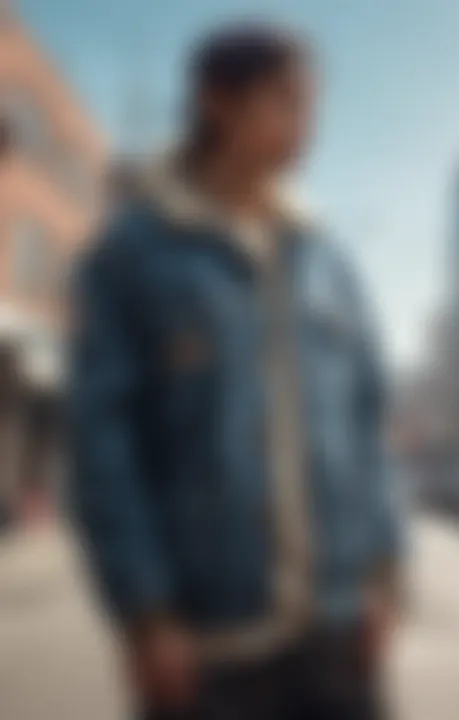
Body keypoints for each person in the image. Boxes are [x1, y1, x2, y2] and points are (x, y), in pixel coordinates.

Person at [69, 23, 403, 720]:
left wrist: (385, 572)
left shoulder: (325, 260)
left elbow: (372, 425)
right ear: (216, 101)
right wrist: (146, 612)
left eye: (310, 105)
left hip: (336, 637)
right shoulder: (133, 255)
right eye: (285, 101)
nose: (305, 125)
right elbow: (102, 447)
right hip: (206, 649)